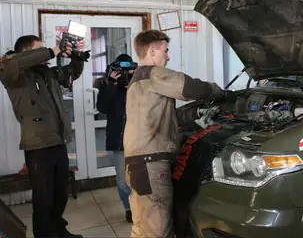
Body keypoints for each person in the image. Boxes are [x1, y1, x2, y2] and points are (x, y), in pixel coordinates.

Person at [123, 30, 225, 238]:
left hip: (140, 164)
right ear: (152, 50)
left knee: (144, 226)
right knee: (158, 230)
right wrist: (219, 92)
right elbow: (191, 88)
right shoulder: (153, 73)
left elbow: (162, 115)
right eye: (165, 51)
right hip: (150, 165)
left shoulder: (138, 79)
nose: (168, 57)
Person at [0, 35, 87, 238]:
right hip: (37, 146)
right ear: (25, 53)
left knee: (60, 194)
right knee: (44, 198)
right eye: (39, 49)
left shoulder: (47, 73)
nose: (46, 52)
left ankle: (58, 229)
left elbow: (72, 74)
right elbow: (16, 64)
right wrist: (53, 50)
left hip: (58, 141)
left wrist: (76, 55)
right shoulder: (13, 74)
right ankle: (45, 234)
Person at [96, 53, 135, 223]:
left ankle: (141, 208)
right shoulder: (109, 86)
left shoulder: (139, 83)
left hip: (140, 139)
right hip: (119, 140)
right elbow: (102, 107)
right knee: (122, 181)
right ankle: (128, 208)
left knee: (142, 179)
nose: (125, 75)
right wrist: (111, 83)